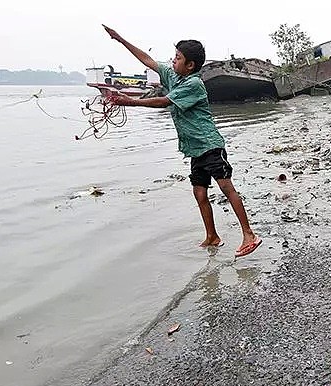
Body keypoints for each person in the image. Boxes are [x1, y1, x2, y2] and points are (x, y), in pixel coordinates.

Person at [102, 25, 261, 256]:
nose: (173, 61)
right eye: (174, 57)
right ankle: (212, 236)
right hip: (195, 149)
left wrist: (132, 102)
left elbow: (165, 101)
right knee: (199, 193)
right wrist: (120, 39)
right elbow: (147, 60)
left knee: (226, 187)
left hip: (210, 145)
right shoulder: (173, 76)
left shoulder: (193, 84)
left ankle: (249, 234)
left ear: (190, 66)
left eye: (178, 58)